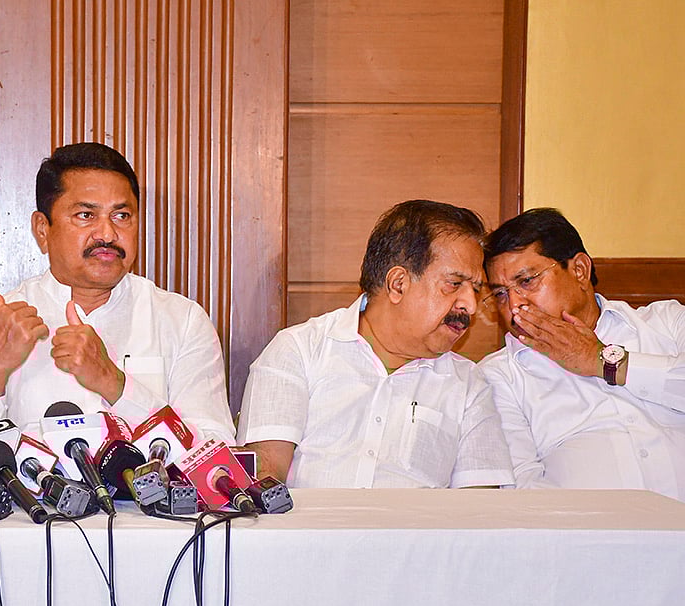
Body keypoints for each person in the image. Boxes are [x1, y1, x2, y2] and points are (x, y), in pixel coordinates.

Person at [0, 142, 234, 442]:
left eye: (122, 216)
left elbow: (218, 455)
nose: (107, 234)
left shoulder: (182, 321)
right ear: (42, 229)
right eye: (86, 215)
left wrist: (114, 383)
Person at [237, 200, 514, 488]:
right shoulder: (299, 350)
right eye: (454, 284)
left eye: (477, 289)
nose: (470, 305)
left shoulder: (468, 384)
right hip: (310, 532)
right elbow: (264, 482)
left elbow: (480, 507)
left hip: (419, 534)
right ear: (398, 284)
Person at [479, 208, 685, 500]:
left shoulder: (667, 322)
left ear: (579, 270)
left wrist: (603, 361)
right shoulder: (499, 376)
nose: (514, 306)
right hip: (592, 539)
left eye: (527, 281)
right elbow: (521, 490)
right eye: (500, 293)